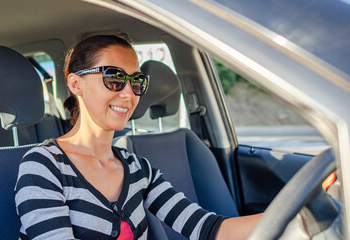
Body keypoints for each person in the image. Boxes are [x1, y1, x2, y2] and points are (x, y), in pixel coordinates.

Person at [14, 34, 261, 240]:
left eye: (136, 81)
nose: (128, 94)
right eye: (114, 78)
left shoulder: (138, 169)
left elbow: (206, 228)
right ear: (76, 84)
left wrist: (292, 216)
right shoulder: (43, 166)